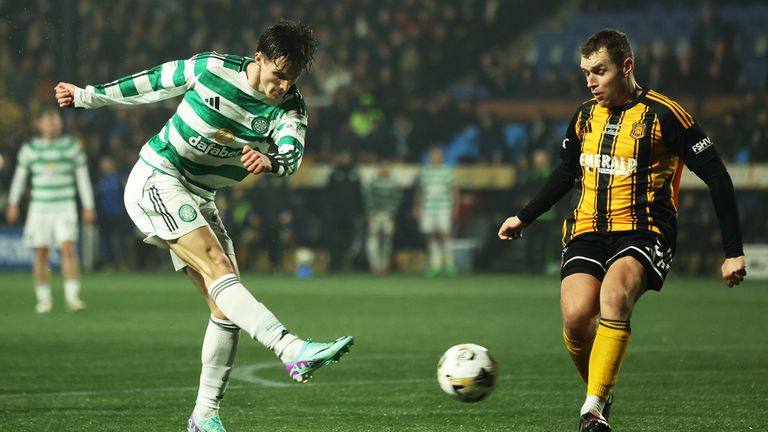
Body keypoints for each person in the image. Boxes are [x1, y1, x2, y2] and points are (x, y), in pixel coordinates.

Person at [54, 21, 353, 432]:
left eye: (291, 79)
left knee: (225, 303)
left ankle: (204, 416)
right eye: (278, 76)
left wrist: (273, 162)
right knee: (217, 264)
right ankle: (290, 348)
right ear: (259, 58)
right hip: (158, 176)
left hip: (200, 195)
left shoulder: (290, 107)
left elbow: (292, 152)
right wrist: (88, 96)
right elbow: (153, 83)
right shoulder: (212, 68)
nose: (283, 86)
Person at [497, 29, 746, 432]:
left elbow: (717, 176)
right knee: (577, 317)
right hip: (587, 228)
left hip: (645, 230)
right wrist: (524, 216)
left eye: (600, 71)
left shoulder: (666, 114)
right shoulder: (583, 116)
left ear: (626, 67)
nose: (591, 81)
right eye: (586, 73)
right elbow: (565, 172)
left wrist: (732, 250)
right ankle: (601, 393)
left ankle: (591, 410)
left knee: (614, 297)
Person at [6, 107, 94, 313]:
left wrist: (88, 205)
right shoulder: (30, 149)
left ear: (60, 124)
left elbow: (82, 177)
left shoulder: (72, 146)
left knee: (69, 249)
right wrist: (13, 203)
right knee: (41, 252)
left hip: (65, 206)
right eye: (47, 122)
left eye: (54, 121)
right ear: (39, 125)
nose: (51, 125)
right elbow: (20, 178)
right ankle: (43, 299)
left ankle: (72, 298)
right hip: (39, 208)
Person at [413, 146, 457, 277]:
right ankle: (435, 265)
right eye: (432, 155)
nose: (434, 158)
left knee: (445, 234)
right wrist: (417, 207)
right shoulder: (425, 171)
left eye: (437, 155)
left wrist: (454, 207)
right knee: (431, 235)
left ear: (441, 157)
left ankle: (450, 265)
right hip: (428, 208)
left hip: (443, 207)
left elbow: (454, 190)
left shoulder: (447, 171)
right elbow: (420, 191)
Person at [364, 158, 403, 275]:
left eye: (386, 166)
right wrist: (370, 212)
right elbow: (368, 198)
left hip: (388, 215)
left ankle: (384, 264)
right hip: (375, 214)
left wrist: (392, 214)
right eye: (382, 166)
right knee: (372, 239)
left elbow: (397, 200)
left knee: (387, 240)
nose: (384, 169)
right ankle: (375, 265)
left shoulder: (394, 183)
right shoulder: (373, 182)